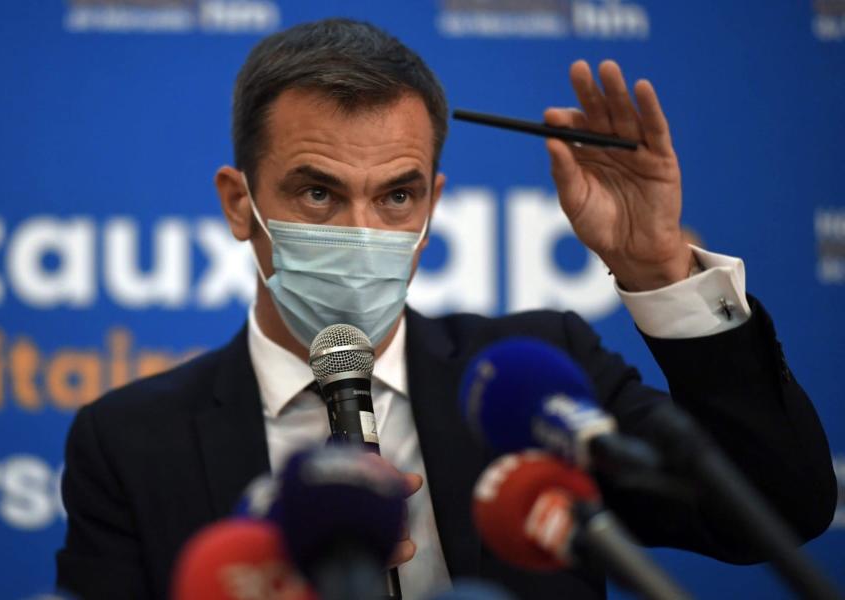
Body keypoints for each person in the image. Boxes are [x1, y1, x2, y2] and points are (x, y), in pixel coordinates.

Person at [55, 18, 836, 600]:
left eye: (396, 195)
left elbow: (774, 507)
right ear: (240, 202)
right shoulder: (128, 442)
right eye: (319, 192)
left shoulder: (532, 379)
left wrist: (655, 263)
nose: (363, 232)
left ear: (432, 205)